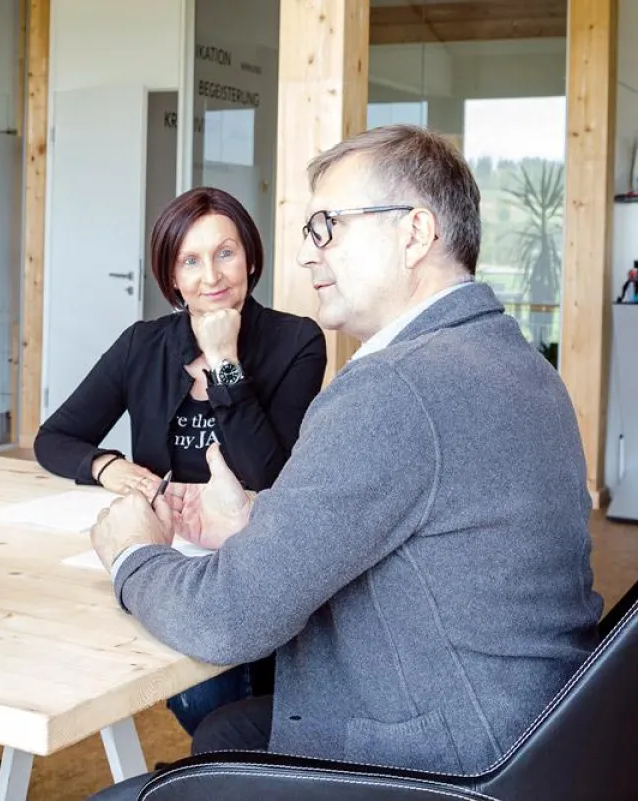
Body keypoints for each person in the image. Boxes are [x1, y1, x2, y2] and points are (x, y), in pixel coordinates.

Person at [87, 124, 601, 800]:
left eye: (326, 226)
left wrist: (133, 556)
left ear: (415, 234)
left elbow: (230, 617)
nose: (305, 254)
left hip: (446, 765)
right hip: (539, 735)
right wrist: (258, 517)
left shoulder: (394, 385)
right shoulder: (515, 362)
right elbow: (421, 517)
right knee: (226, 732)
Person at [33, 186, 326, 733]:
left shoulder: (296, 341)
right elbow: (55, 437)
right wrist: (107, 466)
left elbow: (270, 474)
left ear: (252, 258)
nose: (211, 276)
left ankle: (225, 764)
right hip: (163, 554)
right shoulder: (142, 345)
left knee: (208, 702)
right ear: (171, 277)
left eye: (225, 253)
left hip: (242, 564)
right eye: (190, 260)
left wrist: (222, 361)